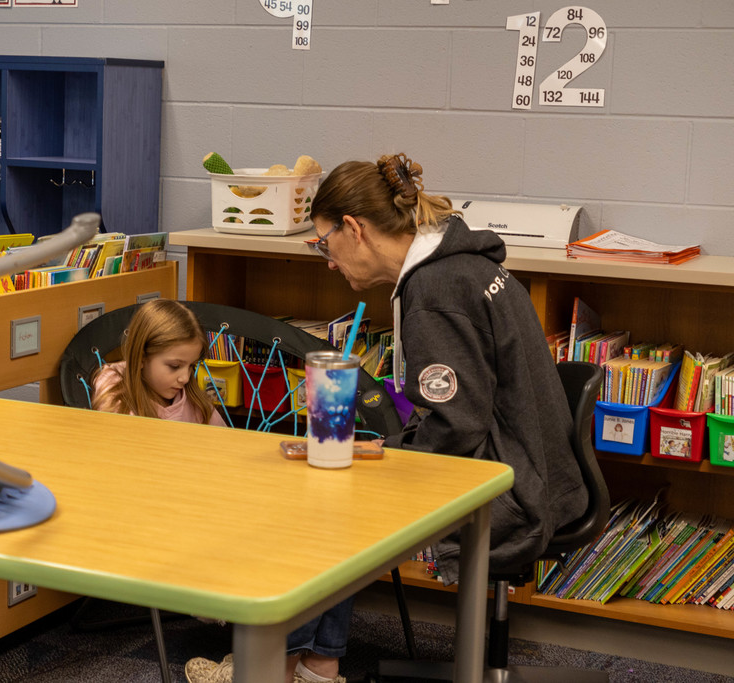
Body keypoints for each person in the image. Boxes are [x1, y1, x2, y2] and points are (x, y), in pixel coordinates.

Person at [185, 152, 588, 683]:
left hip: (510, 490)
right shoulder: (465, 265)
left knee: (316, 506)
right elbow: (464, 410)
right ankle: (317, 664)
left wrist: (384, 467)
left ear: (355, 229)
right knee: (340, 476)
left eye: (325, 243)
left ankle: (274, 668)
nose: (327, 260)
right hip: (539, 472)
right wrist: (382, 452)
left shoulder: (434, 294)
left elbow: (458, 425)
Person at [91, 298, 226, 427]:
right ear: (141, 357)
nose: (185, 378)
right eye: (175, 366)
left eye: (191, 366)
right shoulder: (114, 385)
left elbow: (225, 441)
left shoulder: (195, 402)